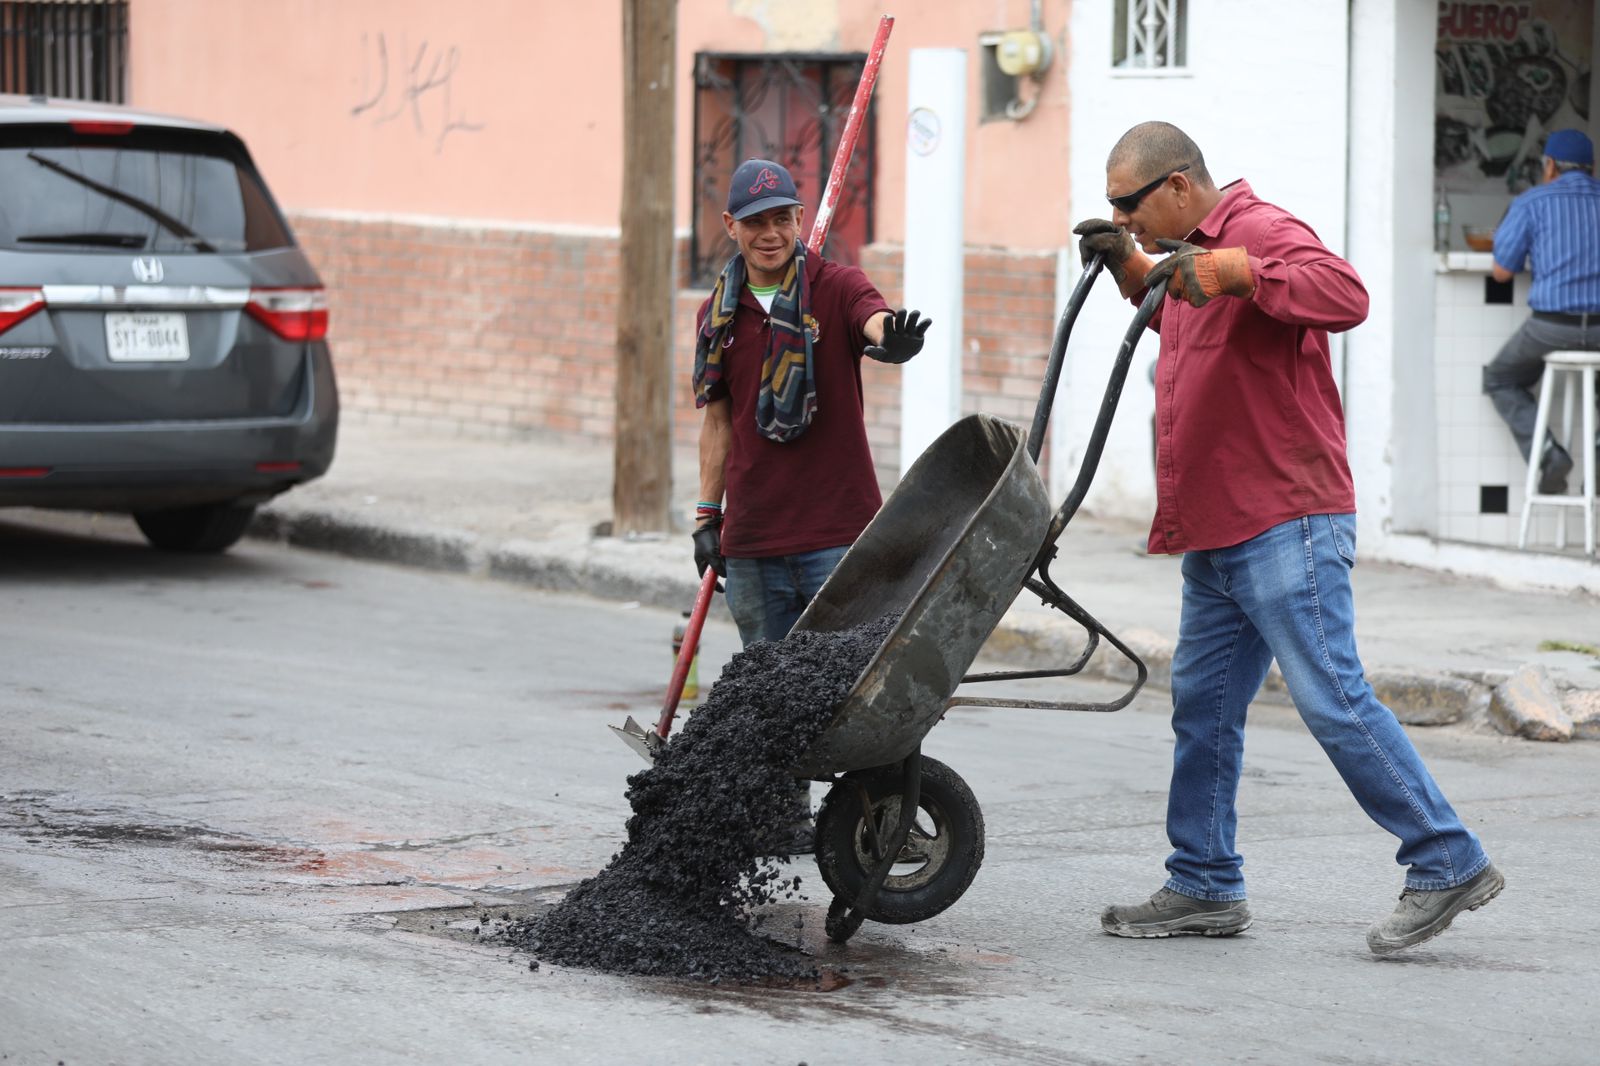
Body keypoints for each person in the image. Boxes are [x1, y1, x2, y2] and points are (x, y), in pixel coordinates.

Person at [1074, 121, 1502, 956]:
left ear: (1178, 185)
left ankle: (1447, 857)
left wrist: (1239, 270)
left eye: (1129, 205)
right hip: (1220, 526)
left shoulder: (1259, 230)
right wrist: (1133, 271)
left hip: (1284, 518)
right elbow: (1201, 335)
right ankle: (1203, 880)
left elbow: (1345, 295)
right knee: (1203, 710)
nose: (1122, 218)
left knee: (1332, 697)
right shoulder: (1190, 255)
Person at [690, 158, 930, 854]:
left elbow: (873, 320)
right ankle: (781, 822)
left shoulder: (835, 286)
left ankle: (887, 823)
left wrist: (893, 339)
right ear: (730, 226)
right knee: (770, 693)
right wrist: (707, 516)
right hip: (754, 540)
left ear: (799, 220)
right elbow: (718, 422)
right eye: (756, 222)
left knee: (863, 692)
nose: (771, 233)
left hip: (839, 538)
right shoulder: (717, 315)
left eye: (782, 219)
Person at [1483, 128, 1600, 494]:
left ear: (1549, 166)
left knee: (1499, 378)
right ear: (1593, 168)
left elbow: (1502, 272)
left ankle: (1548, 454)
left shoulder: (1532, 202)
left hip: (1550, 328)